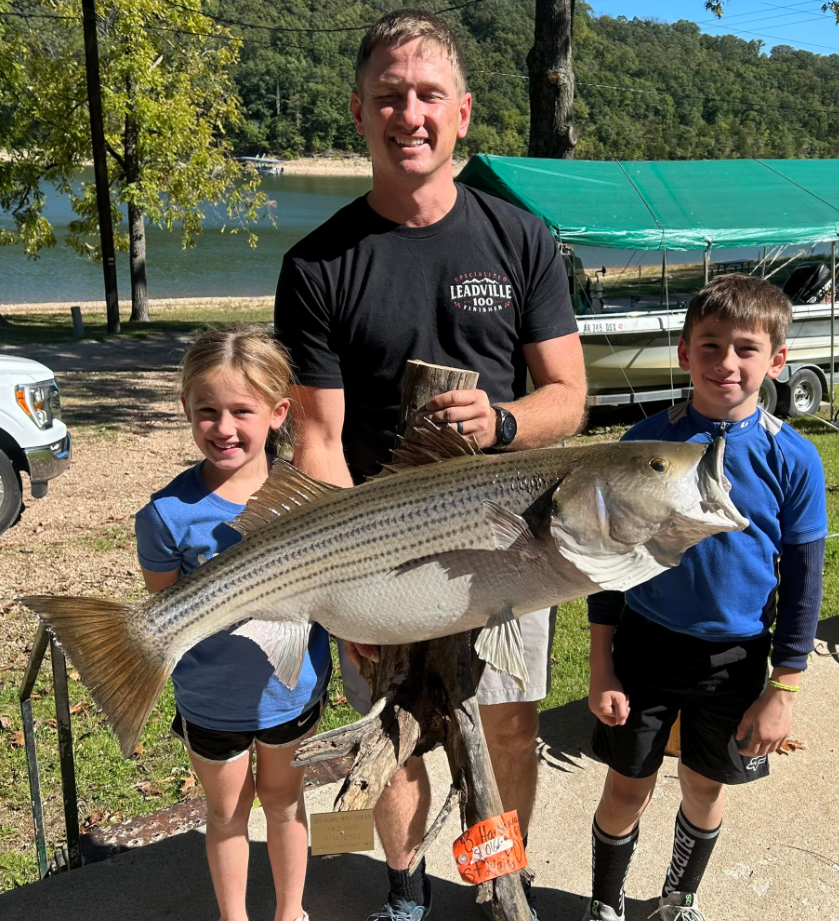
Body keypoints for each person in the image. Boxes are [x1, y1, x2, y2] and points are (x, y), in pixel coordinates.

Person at [274, 10, 587, 921]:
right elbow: (319, 441)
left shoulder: (519, 238)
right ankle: (405, 891)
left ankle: (497, 879)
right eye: (387, 96)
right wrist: (346, 585)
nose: (407, 113)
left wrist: (499, 419)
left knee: (509, 720)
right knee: (390, 735)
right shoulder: (318, 263)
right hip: (380, 539)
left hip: (508, 537)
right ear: (359, 114)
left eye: (426, 95)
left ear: (461, 113)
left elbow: (567, 394)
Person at [581, 274, 828, 921]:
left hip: (734, 659)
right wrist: (601, 663)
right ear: (685, 352)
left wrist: (785, 688)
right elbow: (608, 562)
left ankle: (677, 898)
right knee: (626, 785)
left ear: (776, 359)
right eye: (710, 345)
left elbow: (804, 583)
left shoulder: (793, 458)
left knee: (703, 784)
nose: (727, 363)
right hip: (644, 650)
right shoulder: (641, 443)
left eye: (745, 348)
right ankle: (604, 902)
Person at [134, 326, 332, 921]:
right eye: (207, 412)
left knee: (285, 801)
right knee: (223, 814)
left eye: (241, 411)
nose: (224, 428)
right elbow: (164, 611)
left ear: (277, 414)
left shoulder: (310, 497)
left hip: (290, 690)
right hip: (211, 698)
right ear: (186, 412)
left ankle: (290, 911)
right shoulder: (166, 515)